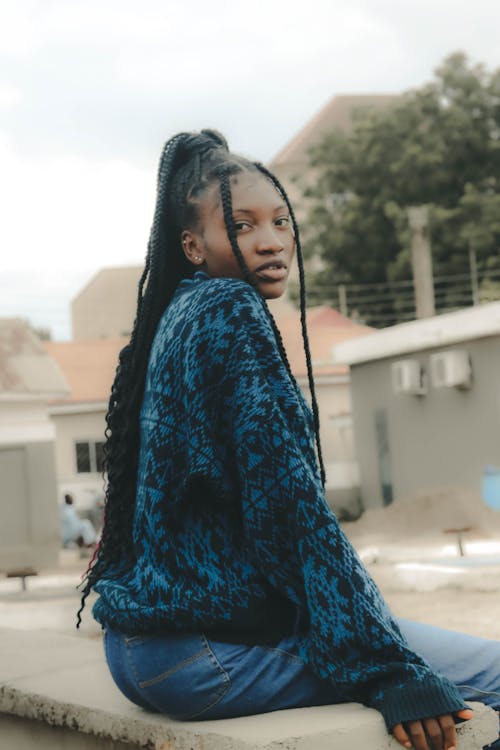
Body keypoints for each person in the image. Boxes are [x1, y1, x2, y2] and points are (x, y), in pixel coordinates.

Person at [77, 130, 500, 750]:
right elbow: (289, 507)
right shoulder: (229, 310)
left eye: (280, 221)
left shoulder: (179, 313)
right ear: (193, 245)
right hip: (203, 657)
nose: (272, 240)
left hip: (148, 652)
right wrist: (389, 672)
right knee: (489, 673)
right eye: (242, 226)